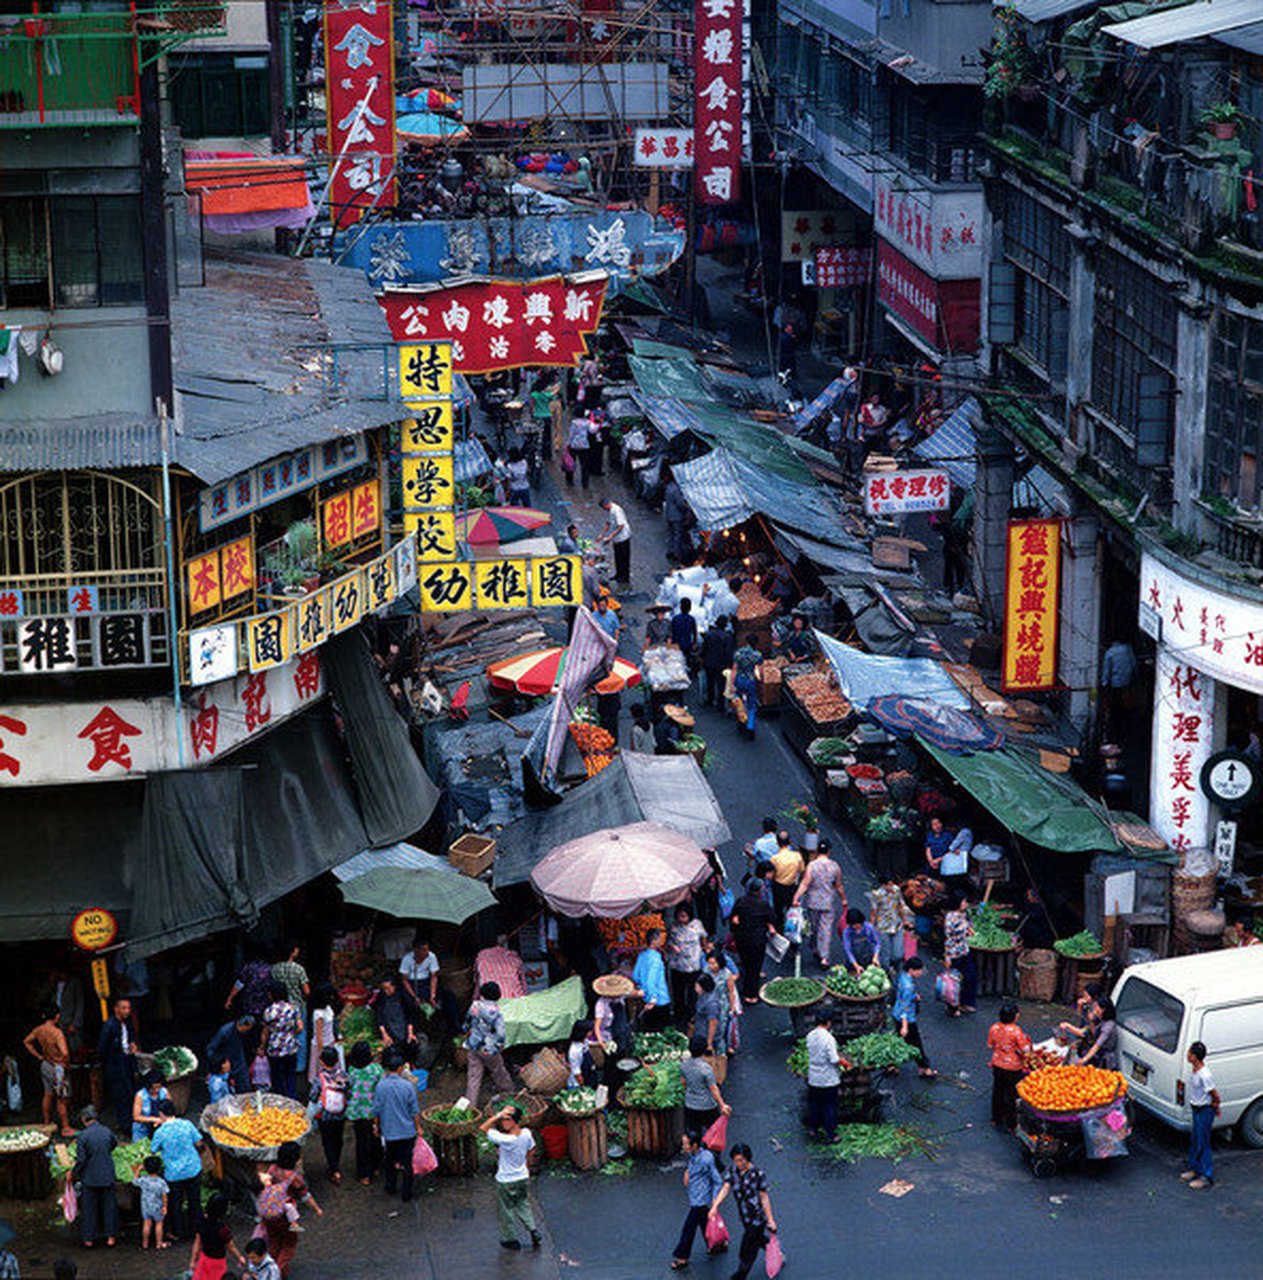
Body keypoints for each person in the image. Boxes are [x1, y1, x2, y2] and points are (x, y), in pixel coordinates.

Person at [709, 1143, 778, 1280]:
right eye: (736, 1160)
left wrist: (770, 1219)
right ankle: (775, 1252)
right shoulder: (732, 1171)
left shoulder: (758, 1174)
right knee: (757, 1239)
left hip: (758, 1217)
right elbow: (726, 1188)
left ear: (748, 1158)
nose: (738, 1163)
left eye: (741, 1160)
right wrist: (715, 1206)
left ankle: (740, 1275)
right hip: (745, 1215)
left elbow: (764, 1198)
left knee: (747, 1248)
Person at [480, 1104, 540, 1251]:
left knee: (506, 1210)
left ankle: (510, 1240)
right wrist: (526, 1166)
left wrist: (498, 1114)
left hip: (505, 1180)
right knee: (523, 1204)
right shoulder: (526, 1133)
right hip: (522, 1177)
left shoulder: (506, 1140)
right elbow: (531, 1150)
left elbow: (483, 1128)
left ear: (513, 1121)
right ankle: (533, 1230)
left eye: (506, 1119)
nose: (502, 1122)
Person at [149, 1099, 203, 1241]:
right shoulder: (187, 1124)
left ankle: (178, 1232)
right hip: (192, 1168)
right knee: (194, 1201)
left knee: (175, 1204)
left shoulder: (160, 1132)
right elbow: (199, 1142)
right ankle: (196, 1230)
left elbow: (153, 1150)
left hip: (174, 1173)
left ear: (161, 1114)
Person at [373, 1049, 421, 1202]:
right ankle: (407, 1193)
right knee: (407, 1163)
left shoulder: (381, 1086)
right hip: (407, 1131)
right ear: (400, 1069)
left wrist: (376, 1126)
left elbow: (377, 1110)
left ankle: (391, 1187)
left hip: (389, 1131)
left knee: (390, 1160)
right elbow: (414, 1110)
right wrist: (418, 1128)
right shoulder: (408, 1087)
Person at [672, 1130, 724, 1270]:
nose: (684, 1147)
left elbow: (718, 1181)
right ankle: (717, 1244)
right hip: (695, 1195)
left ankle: (682, 1257)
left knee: (689, 1229)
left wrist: (715, 1200)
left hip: (700, 1199)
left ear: (695, 1145)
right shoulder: (692, 1154)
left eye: (686, 1144)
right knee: (705, 1223)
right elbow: (692, 1165)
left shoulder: (706, 1159)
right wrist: (688, 1172)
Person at [23, 1006, 74, 1136]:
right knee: (61, 1098)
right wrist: (65, 1063)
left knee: (48, 1094)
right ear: (57, 1016)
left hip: (46, 1063)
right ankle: (65, 1127)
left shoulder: (39, 1030)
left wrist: (39, 1056)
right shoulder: (57, 1033)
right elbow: (65, 1052)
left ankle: (47, 1122)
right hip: (57, 1065)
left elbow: (27, 1042)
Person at [72, 1106, 117, 1248]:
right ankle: (110, 1237)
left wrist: (74, 1173)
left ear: (84, 1120)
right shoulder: (107, 1131)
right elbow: (113, 1144)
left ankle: (89, 1239)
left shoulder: (83, 1136)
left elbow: (81, 1159)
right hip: (107, 1175)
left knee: (90, 1209)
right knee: (109, 1207)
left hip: (90, 1178)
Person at [465, 982, 514, 1104]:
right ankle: (509, 1092)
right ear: (498, 996)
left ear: (482, 994)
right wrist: (500, 1045)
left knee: (473, 1076)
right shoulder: (496, 1011)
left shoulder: (475, 1005)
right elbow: (501, 1034)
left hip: (473, 1045)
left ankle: (471, 1104)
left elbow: (467, 1022)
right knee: (498, 1071)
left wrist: (466, 1032)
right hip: (489, 1049)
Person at [97, 997, 139, 1135]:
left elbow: (130, 1038)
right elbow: (102, 1048)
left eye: (128, 1008)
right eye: (124, 1008)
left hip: (127, 1064)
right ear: (116, 1009)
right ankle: (125, 1125)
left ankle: (130, 1123)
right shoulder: (109, 1025)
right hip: (116, 1066)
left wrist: (132, 1044)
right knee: (121, 1097)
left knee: (130, 1094)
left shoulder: (127, 1023)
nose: (127, 1011)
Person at [729, 883, 776, 1005]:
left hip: (742, 937)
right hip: (757, 939)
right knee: (754, 967)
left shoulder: (741, 902)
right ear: (760, 891)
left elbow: (734, 919)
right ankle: (750, 995)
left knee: (746, 961)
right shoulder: (763, 905)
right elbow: (772, 918)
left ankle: (748, 982)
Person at [987, 1003, 1031, 1130]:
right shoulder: (1016, 1031)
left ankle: (996, 1118)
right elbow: (1026, 1050)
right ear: (1014, 1017)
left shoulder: (994, 1028)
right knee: (1011, 1094)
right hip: (1013, 1067)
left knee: (998, 1091)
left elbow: (990, 1045)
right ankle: (1011, 1122)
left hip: (997, 1064)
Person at [1183, 1041, 1219, 1190]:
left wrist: (1216, 1106)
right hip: (1196, 1108)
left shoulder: (1205, 1075)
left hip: (1204, 1109)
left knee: (1203, 1141)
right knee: (1195, 1139)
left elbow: (1214, 1094)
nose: (1187, 1055)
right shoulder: (1195, 1070)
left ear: (1195, 1057)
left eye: (1189, 1053)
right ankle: (1194, 1168)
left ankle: (1206, 1176)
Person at [346, 1040, 383, 1185]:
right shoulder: (376, 1070)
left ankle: (364, 1174)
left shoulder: (352, 1070)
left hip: (357, 1112)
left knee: (362, 1142)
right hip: (373, 1113)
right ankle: (375, 1167)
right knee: (375, 1139)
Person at [270, 941, 310, 1074]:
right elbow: (307, 991)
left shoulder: (274, 969)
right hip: (297, 1006)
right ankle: (299, 1066)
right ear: (292, 952)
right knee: (300, 1035)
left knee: (280, 1033)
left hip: (278, 1007)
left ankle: (282, 1062)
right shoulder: (298, 969)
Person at [893, 957, 935, 1077]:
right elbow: (905, 1007)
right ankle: (924, 1067)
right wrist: (905, 1026)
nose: (921, 973)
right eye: (919, 970)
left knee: (898, 1041)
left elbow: (900, 994)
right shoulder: (908, 987)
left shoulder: (903, 976)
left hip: (896, 1013)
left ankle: (892, 1064)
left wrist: (914, 996)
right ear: (912, 970)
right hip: (906, 1018)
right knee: (916, 1044)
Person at [312, 1045, 348, 1184]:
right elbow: (348, 1093)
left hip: (325, 1116)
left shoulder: (319, 1078)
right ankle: (336, 1163)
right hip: (340, 1114)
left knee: (328, 1141)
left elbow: (313, 1096)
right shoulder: (344, 1075)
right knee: (338, 1139)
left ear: (321, 1061)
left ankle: (334, 1169)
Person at [681, 1034, 730, 1134]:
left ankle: (695, 1147)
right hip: (707, 1106)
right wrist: (722, 1105)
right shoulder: (706, 1069)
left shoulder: (684, 1065)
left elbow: (684, 1083)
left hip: (690, 1105)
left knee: (694, 1132)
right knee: (713, 1132)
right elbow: (713, 1089)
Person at [261, 982, 303, 1100]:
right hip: (290, 1047)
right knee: (290, 1075)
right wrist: (291, 1034)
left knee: (277, 1076)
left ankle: (279, 1100)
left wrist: (262, 1047)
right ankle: (292, 1099)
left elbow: (265, 1032)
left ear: (272, 995)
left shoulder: (269, 1011)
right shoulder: (293, 1008)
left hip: (275, 1048)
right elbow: (300, 1027)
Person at [805, 1011, 842, 1142]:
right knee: (829, 1106)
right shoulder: (828, 1038)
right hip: (827, 1079)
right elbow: (833, 1059)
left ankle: (813, 1129)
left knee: (814, 1104)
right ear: (828, 1023)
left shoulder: (810, 1035)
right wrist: (843, 1062)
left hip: (814, 1077)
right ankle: (831, 1134)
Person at [189, 1192, 244, 1280]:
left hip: (204, 1259)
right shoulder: (222, 1230)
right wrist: (240, 1257)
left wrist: (193, 1261)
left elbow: (197, 1243)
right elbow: (231, 1247)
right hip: (218, 1262)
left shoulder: (202, 1223)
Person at [668, 907, 707, 1026]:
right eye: (679, 916)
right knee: (678, 991)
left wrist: (705, 948)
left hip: (693, 965)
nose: (681, 919)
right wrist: (672, 946)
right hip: (677, 965)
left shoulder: (697, 925)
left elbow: (703, 938)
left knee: (692, 992)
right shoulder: (673, 927)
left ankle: (691, 1014)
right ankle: (679, 1014)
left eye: (684, 916)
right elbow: (668, 941)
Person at [870, 876, 914, 972]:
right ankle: (886, 972)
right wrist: (871, 928)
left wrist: (905, 920)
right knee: (885, 957)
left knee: (898, 954)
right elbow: (873, 913)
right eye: (888, 885)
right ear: (883, 885)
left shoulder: (896, 890)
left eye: (891, 884)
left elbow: (900, 906)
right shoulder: (877, 894)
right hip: (883, 927)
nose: (890, 886)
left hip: (896, 925)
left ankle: (893, 966)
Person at [1100, 636, 1138, 744]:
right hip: (1128, 684)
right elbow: (1134, 665)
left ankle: (1115, 736)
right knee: (1126, 710)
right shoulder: (1128, 649)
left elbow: (1106, 674)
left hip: (1115, 686)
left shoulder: (1110, 653)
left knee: (1114, 712)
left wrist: (1104, 686)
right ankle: (1125, 733)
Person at [943, 893, 977, 1014]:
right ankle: (952, 1007)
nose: (965, 904)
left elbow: (968, 928)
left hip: (964, 951)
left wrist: (968, 932)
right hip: (953, 953)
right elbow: (949, 936)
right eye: (963, 902)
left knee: (970, 977)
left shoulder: (964, 915)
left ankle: (966, 1003)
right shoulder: (950, 917)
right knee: (953, 981)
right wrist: (947, 957)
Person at [632, 929, 672, 1030]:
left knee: (647, 1031)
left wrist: (643, 990)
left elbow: (635, 976)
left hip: (644, 997)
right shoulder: (655, 960)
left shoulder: (642, 956)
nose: (661, 941)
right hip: (658, 999)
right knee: (660, 1032)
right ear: (654, 941)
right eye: (659, 939)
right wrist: (652, 999)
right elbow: (651, 980)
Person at [206, 1014, 255, 1094]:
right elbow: (211, 1049)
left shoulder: (243, 1033)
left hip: (238, 1060)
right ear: (243, 1025)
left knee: (245, 1088)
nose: (247, 1031)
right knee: (224, 1090)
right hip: (226, 1062)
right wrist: (215, 1066)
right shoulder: (225, 1031)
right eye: (247, 1029)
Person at [306, 981, 342, 1087]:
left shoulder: (328, 1008)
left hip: (329, 1043)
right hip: (321, 1046)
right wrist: (321, 1053)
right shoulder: (318, 1014)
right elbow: (319, 1035)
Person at [225, 949, 274, 1021]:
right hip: (265, 1005)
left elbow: (239, 984)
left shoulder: (249, 967)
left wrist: (230, 998)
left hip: (249, 1004)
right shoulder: (270, 968)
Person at [769, 831, 803, 931]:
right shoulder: (797, 856)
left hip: (778, 887)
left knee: (778, 909)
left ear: (777, 843)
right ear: (789, 843)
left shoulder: (774, 859)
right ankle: (791, 929)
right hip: (792, 886)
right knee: (791, 908)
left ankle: (779, 929)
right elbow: (801, 871)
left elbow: (772, 875)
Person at [700, 615, 736, 709]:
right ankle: (720, 703)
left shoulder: (709, 634)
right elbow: (728, 652)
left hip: (709, 662)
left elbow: (704, 648)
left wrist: (702, 658)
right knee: (721, 684)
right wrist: (730, 665)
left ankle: (710, 699)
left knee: (710, 682)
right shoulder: (727, 637)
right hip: (721, 664)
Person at [135, 1154, 169, 1251]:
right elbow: (164, 1196)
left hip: (146, 1206)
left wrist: (139, 1169)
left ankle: (145, 1243)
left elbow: (135, 1180)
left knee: (146, 1224)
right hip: (158, 1206)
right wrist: (165, 1206)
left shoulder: (144, 1180)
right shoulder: (161, 1182)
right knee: (159, 1224)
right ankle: (159, 1243)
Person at [1076, 996, 1118, 1070]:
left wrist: (1084, 1059)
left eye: (1096, 1007)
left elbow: (1097, 1044)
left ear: (1103, 1009)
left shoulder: (1108, 1026)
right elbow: (1095, 1033)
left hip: (1104, 1059)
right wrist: (1091, 1021)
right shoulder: (1101, 1018)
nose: (1094, 1009)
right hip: (1096, 1054)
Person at [598, 496, 632, 586]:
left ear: (607, 504)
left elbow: (621, 525)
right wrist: (602, 534)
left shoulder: (616, 510)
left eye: (604, 508)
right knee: (617, 556)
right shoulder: (609, 511)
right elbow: (608, 523)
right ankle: (618, 574)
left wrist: (610, 536)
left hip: (623, 537)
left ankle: (625, 576)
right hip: (616, 538)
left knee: (623, 557)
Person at [731, 639, 762, 737]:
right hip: (750, 680)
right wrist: (759, 680)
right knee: (751, 704)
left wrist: (732, 683)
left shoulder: (738, 653)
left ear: (746, 642)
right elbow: (758, 671)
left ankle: (741, 721)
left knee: (739, 702)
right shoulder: (757, 655)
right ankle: (750, 726)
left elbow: (734, 669)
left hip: (740, 679)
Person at [131, 1070, 169, 1142]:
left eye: (158, 1087)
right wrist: (155, 1119)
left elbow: (170, 1110)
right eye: (153, 1088)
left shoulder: (164, 1092)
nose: (156, 1090)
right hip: (143, 1126)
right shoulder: (140, 1095)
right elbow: (136, 1117)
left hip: (161, 1124)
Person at [565, 1021, 597, 1089]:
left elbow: (589, 1044)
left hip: (588, 1074)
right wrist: (583, 1086)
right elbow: (577, 1073)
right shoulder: (574, 1051)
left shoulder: (584, 1041)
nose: (591, 1032)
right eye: (590, 1031)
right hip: (577, 1083)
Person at [670, 598, 698, 670]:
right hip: (687, 644)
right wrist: (694, 643)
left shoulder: (675, 619)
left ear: (680, 607)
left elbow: (671, 631)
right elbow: (694, 633)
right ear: (690, 608)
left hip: (676, 644)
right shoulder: (691, 619)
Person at [566, 413, 591, 489]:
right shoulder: (587, 423)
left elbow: (571, 434)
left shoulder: (574, 423)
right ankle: (585, 483)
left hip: (574, 445)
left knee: (571, 464)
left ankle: (570, 481)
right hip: (584, 445)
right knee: (585, 466)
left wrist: (568, 444)